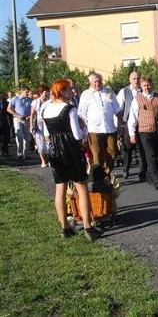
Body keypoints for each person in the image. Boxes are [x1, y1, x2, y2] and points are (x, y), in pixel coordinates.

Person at [42, 79, 101, 241]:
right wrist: (82, 135)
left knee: (59, 189)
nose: (72, 91)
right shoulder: (69, 109)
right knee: (82, 188)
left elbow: (46, 134)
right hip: (70, 150)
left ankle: (64, 227)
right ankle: (88, 227)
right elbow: (76, 135)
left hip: (54, 150)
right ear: (62, 92)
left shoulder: (46, 109)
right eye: (69, 89)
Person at [127, 76, 158, 189]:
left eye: (148, 85)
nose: (147, 87)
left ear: (152, 85)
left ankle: (149, 174)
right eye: (144, 86)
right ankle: (157, 181)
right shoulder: (137, 99)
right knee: (151, 155)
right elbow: (132, 118)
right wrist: (132, 133)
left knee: (157, 156)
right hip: (144, 131)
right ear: (141, 87)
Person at [77, 73, 121, 177]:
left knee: (113, 152)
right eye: (95, 81)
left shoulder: (109, 92)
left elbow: (117, 109)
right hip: (94, 129)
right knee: (97, 154)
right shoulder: (85, 94)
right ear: (90, 82)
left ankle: (107, 173)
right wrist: (82, 133)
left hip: (110, 128)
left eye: (99, 81)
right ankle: (99, 178)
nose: (97, 83)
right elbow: (81, 114)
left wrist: (121, 125)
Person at [116, 71, 141, 179]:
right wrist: (120, 125)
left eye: (138, 78)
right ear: (130, 80)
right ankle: (126, 168)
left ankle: (142, 171)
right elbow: (119, 108)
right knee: (128, 149)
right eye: (134, 79)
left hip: (141, 123)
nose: (136, 80)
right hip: (127, 123)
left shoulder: (143, 90)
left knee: (142, 149)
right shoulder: (124, 91)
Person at [7, 85, 32, 159]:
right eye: (26, 92)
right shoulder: (15, 99)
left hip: (26, 120)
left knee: (28, 138)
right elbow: (8, 109)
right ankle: (20, 154)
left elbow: (33, 110)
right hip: (18, 120)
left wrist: (30, 116)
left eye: (28, 92)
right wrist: (17, 115)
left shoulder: (30, 100)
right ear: (22, 91)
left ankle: (26, 154)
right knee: (20, 136)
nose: (27, 94)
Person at [30, 85, 51, 168]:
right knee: (40, 143)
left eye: (48, 92)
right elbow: (32, 114)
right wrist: (31, 125)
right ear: (41, 93)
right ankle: (43, 160)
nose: (47, 94)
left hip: (47, 124)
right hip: (38, 125)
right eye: (46, 92)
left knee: (48, 142)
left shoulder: (50, 102)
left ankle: (49, 159)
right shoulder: (35, 102)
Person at [0, 91, 9, 156]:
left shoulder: (7, 103)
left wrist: (11, 123)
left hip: (5, 122)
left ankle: (5, 150)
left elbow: (9, 114)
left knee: (6, 138)